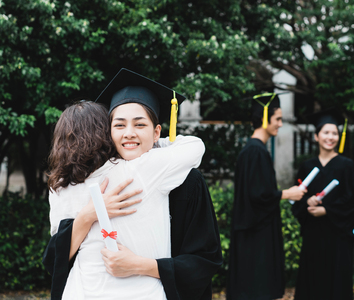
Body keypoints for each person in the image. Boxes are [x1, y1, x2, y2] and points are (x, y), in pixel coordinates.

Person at [43, 69, 222, 299]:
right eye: (119, 126)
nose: (129, 134)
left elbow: (205, 260)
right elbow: (54, 259)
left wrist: (142, 265)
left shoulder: (188, 181)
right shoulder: (93, 178)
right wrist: (88, 215)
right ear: (107, 133)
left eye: (140, 125)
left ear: (156, 132)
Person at [226, 93, 307, 300]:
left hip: (252, 232)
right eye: (277, 119)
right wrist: (286, 193)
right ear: (264, 118)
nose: (280, 124)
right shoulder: (256, 152)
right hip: (256, 236)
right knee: (257, 289)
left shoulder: (252, 150)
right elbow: (258, 195)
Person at [291, 109, 354, 300]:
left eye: (334, 133)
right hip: (314, 236)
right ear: (316, 136)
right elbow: (297, 198)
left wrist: (326, 210)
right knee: (313, 281)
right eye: (326, 133)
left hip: (338, 237)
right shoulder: (307, 166)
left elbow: (352, 201)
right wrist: (308, 202)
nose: (330, 137)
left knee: (336, 284)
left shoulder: (347, 166)